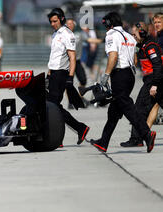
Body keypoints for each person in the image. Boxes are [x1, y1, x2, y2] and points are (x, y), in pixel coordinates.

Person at [90, 12, 156, 153]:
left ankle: (146, 134)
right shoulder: (129, 36)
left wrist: (106, 75)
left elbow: (113, 57)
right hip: (129, 75)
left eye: (105, 24)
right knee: (114, 111)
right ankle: (103, 141)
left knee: (127, 107)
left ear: (109, 23)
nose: (105, 27)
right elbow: (135, 60)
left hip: (119, 75)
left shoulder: (111, 35)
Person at [46, 8, 90, 144]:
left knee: (52, 107)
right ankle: (79, 128)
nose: (52, 24)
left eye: (55, 21)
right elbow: (54, 57)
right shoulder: (55, 34)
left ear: (62, 19)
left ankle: (60, 137)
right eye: (51, 21)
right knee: (53, 107)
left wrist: (70, 78)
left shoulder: (67, 34)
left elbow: (72, 57)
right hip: (53, 73)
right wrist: (48, 74)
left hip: (61, 74)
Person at [120, 22, 163, 147]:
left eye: (135, 34)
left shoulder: (150, 46)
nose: (133, 37)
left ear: (143, 33)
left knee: (138, 109)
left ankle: (136, 139)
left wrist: (155, 84)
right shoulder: (141, 45)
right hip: (152, 80)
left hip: (154, 80)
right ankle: (137, 138)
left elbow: (157, 65)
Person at [66, 18, 87, 109]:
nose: (69, 25)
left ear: (74, 25)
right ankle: (70, 102)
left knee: (83, 80)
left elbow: (89, 39)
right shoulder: (63, 35)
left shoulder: (79, 35)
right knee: (68, 83)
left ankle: (79, 97)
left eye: (71, 23)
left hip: (77, 61)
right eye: (68, 24)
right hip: (67, 62)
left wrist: (101, 40)